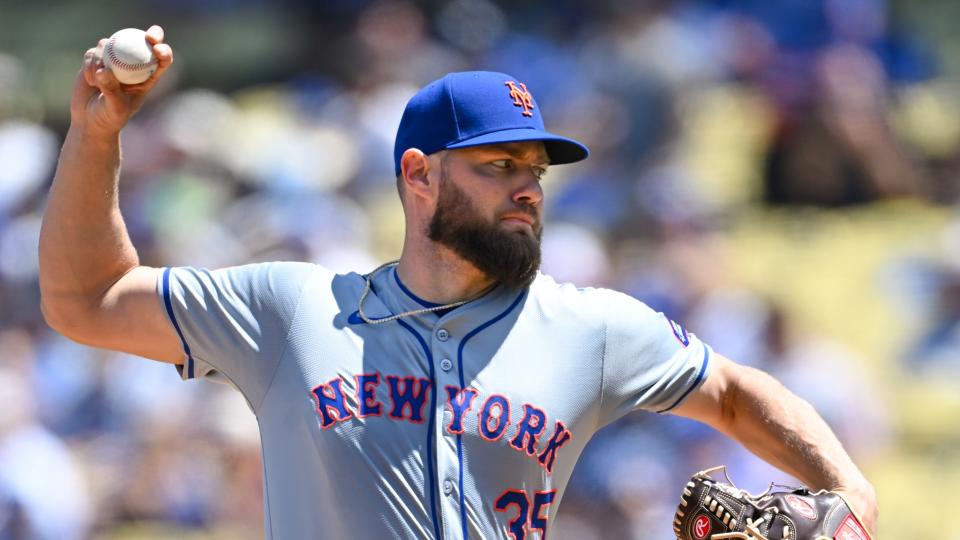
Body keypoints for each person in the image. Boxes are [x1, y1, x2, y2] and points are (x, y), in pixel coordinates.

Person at [39, 25, 878, 539]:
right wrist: (97, 137)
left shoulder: (591, 330)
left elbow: (732, 390)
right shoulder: (295, 311)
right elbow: (88, 300)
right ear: (419, 176)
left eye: (536, 171)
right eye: (498, 164)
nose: (526, 186)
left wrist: (849, 492)